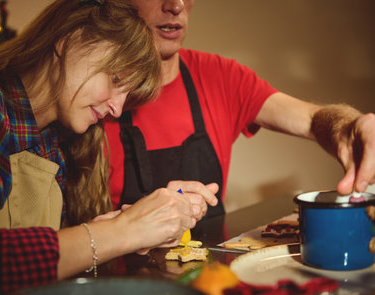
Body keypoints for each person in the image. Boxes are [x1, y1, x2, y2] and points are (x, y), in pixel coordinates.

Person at [0, 0, 198, 295]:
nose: (118, 109)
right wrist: (117, 233)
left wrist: (132, 227)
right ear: (70, 41)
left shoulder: (61, 138)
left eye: (127, 94)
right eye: (115, 78)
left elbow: (45, 259)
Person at [104, 0, 375, 220]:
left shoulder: (220, 76)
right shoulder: (94, 97)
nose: (176, 5)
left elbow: (314, 118)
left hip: (209, 275)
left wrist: (347, 127)